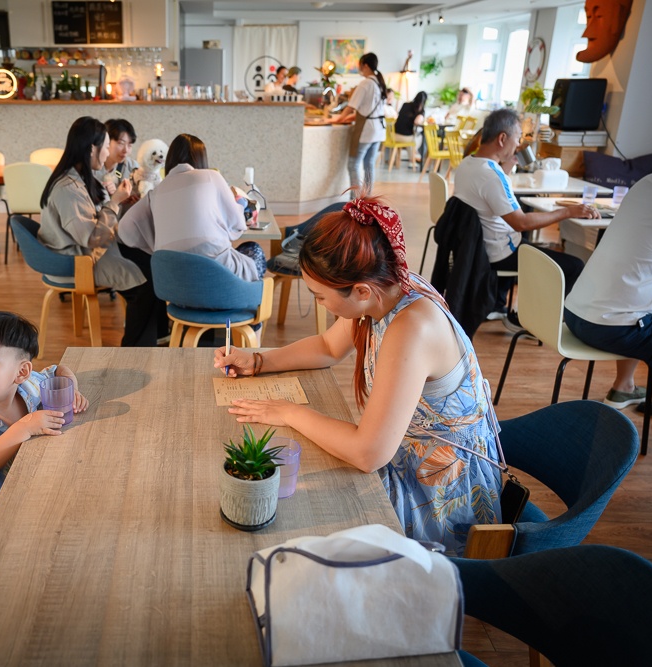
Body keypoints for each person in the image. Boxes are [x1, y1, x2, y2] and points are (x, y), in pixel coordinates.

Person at [215, 195, 504, 555]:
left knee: (299, 512)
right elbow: (327, 347)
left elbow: (368, 453)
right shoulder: (387, 287)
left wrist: (289, 412)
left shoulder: (411, 327)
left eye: (320, 298)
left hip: (440, 492)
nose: (320, 304)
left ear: (361, 291)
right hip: (408, 456)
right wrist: (258, 361)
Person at [563, 125, 652, 476]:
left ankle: (623, 387)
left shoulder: (650, 182)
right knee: (649, 309)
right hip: (616, 327)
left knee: (651, 297)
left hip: (579, 313)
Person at [452, 108, 598, 325]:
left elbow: (492, 195)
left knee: (527, 240)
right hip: (498, 252)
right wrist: (568, 211)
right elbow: (520, 223)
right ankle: (537, 323)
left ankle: (498, 303)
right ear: (502, 138)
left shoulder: (467, 164)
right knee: (574, 265)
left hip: (478, 246)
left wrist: (507, 167)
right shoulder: (492, 176)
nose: (519, 144)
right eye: (517, 137)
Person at [0, 311, 89, 522]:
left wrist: (72, 391)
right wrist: (25, 427)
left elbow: (59, 370)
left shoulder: (28, 384)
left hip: (32, 479)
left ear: (21, 373)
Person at [39, 116, 159, 346]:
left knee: (153, 262)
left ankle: (156, 337)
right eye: (106, 147)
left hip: (87, 250)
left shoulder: (76, 178)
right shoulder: (68, 188)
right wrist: (115, 201)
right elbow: (92, 238)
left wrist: (117, 202)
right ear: (92, 148)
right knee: (147, 285)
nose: (107, 154)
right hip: (79, 259)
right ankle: (136, 352)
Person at [118, 133, 266, 281]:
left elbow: (125, 229)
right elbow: (237, 223)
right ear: (202, 159)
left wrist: (155, 245)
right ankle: (240, 300)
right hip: (217, 279)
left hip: (174, 285)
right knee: (253, 249)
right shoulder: (211, 177)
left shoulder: (156, 192)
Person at [334, 52, 387, 192]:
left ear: (365, 65)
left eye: (360, 65)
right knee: (369, 164)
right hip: (379, 130)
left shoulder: (366, 83)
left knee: (353, 164)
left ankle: (357, 200)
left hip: (366, 130)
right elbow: (367, 110)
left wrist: (338, 119)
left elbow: (351, 107)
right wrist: (344, 118)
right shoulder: (379, 83)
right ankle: (367, 198)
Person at [94, 118, 138, 200]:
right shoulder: (92, 165)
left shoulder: (132, 167)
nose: (126, 150)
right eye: (121, 143)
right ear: (106, 140)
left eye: (129, 145)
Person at [394, 91, 428, 167]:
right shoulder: (420, 110)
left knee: (412, 136)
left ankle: (412, 158)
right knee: (418, 137)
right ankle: (414, 159)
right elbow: (417, 122)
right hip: (404, 137)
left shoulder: (405, 105)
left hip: (393, 134)